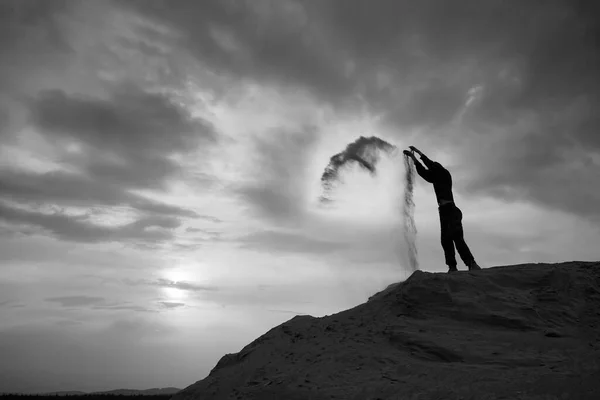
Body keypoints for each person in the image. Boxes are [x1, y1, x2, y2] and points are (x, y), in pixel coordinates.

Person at [403, 146, 482, 273]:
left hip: (452, 210)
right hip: (443, 212)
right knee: (445, 240)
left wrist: (418, 152)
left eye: (434, 168)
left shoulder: (445, 175)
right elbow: (424, 172)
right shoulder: (435, 178)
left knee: (457, 237)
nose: (432, 169)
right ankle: (452, 267)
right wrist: (413, 158)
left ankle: (471, 263)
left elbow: (430, 164)